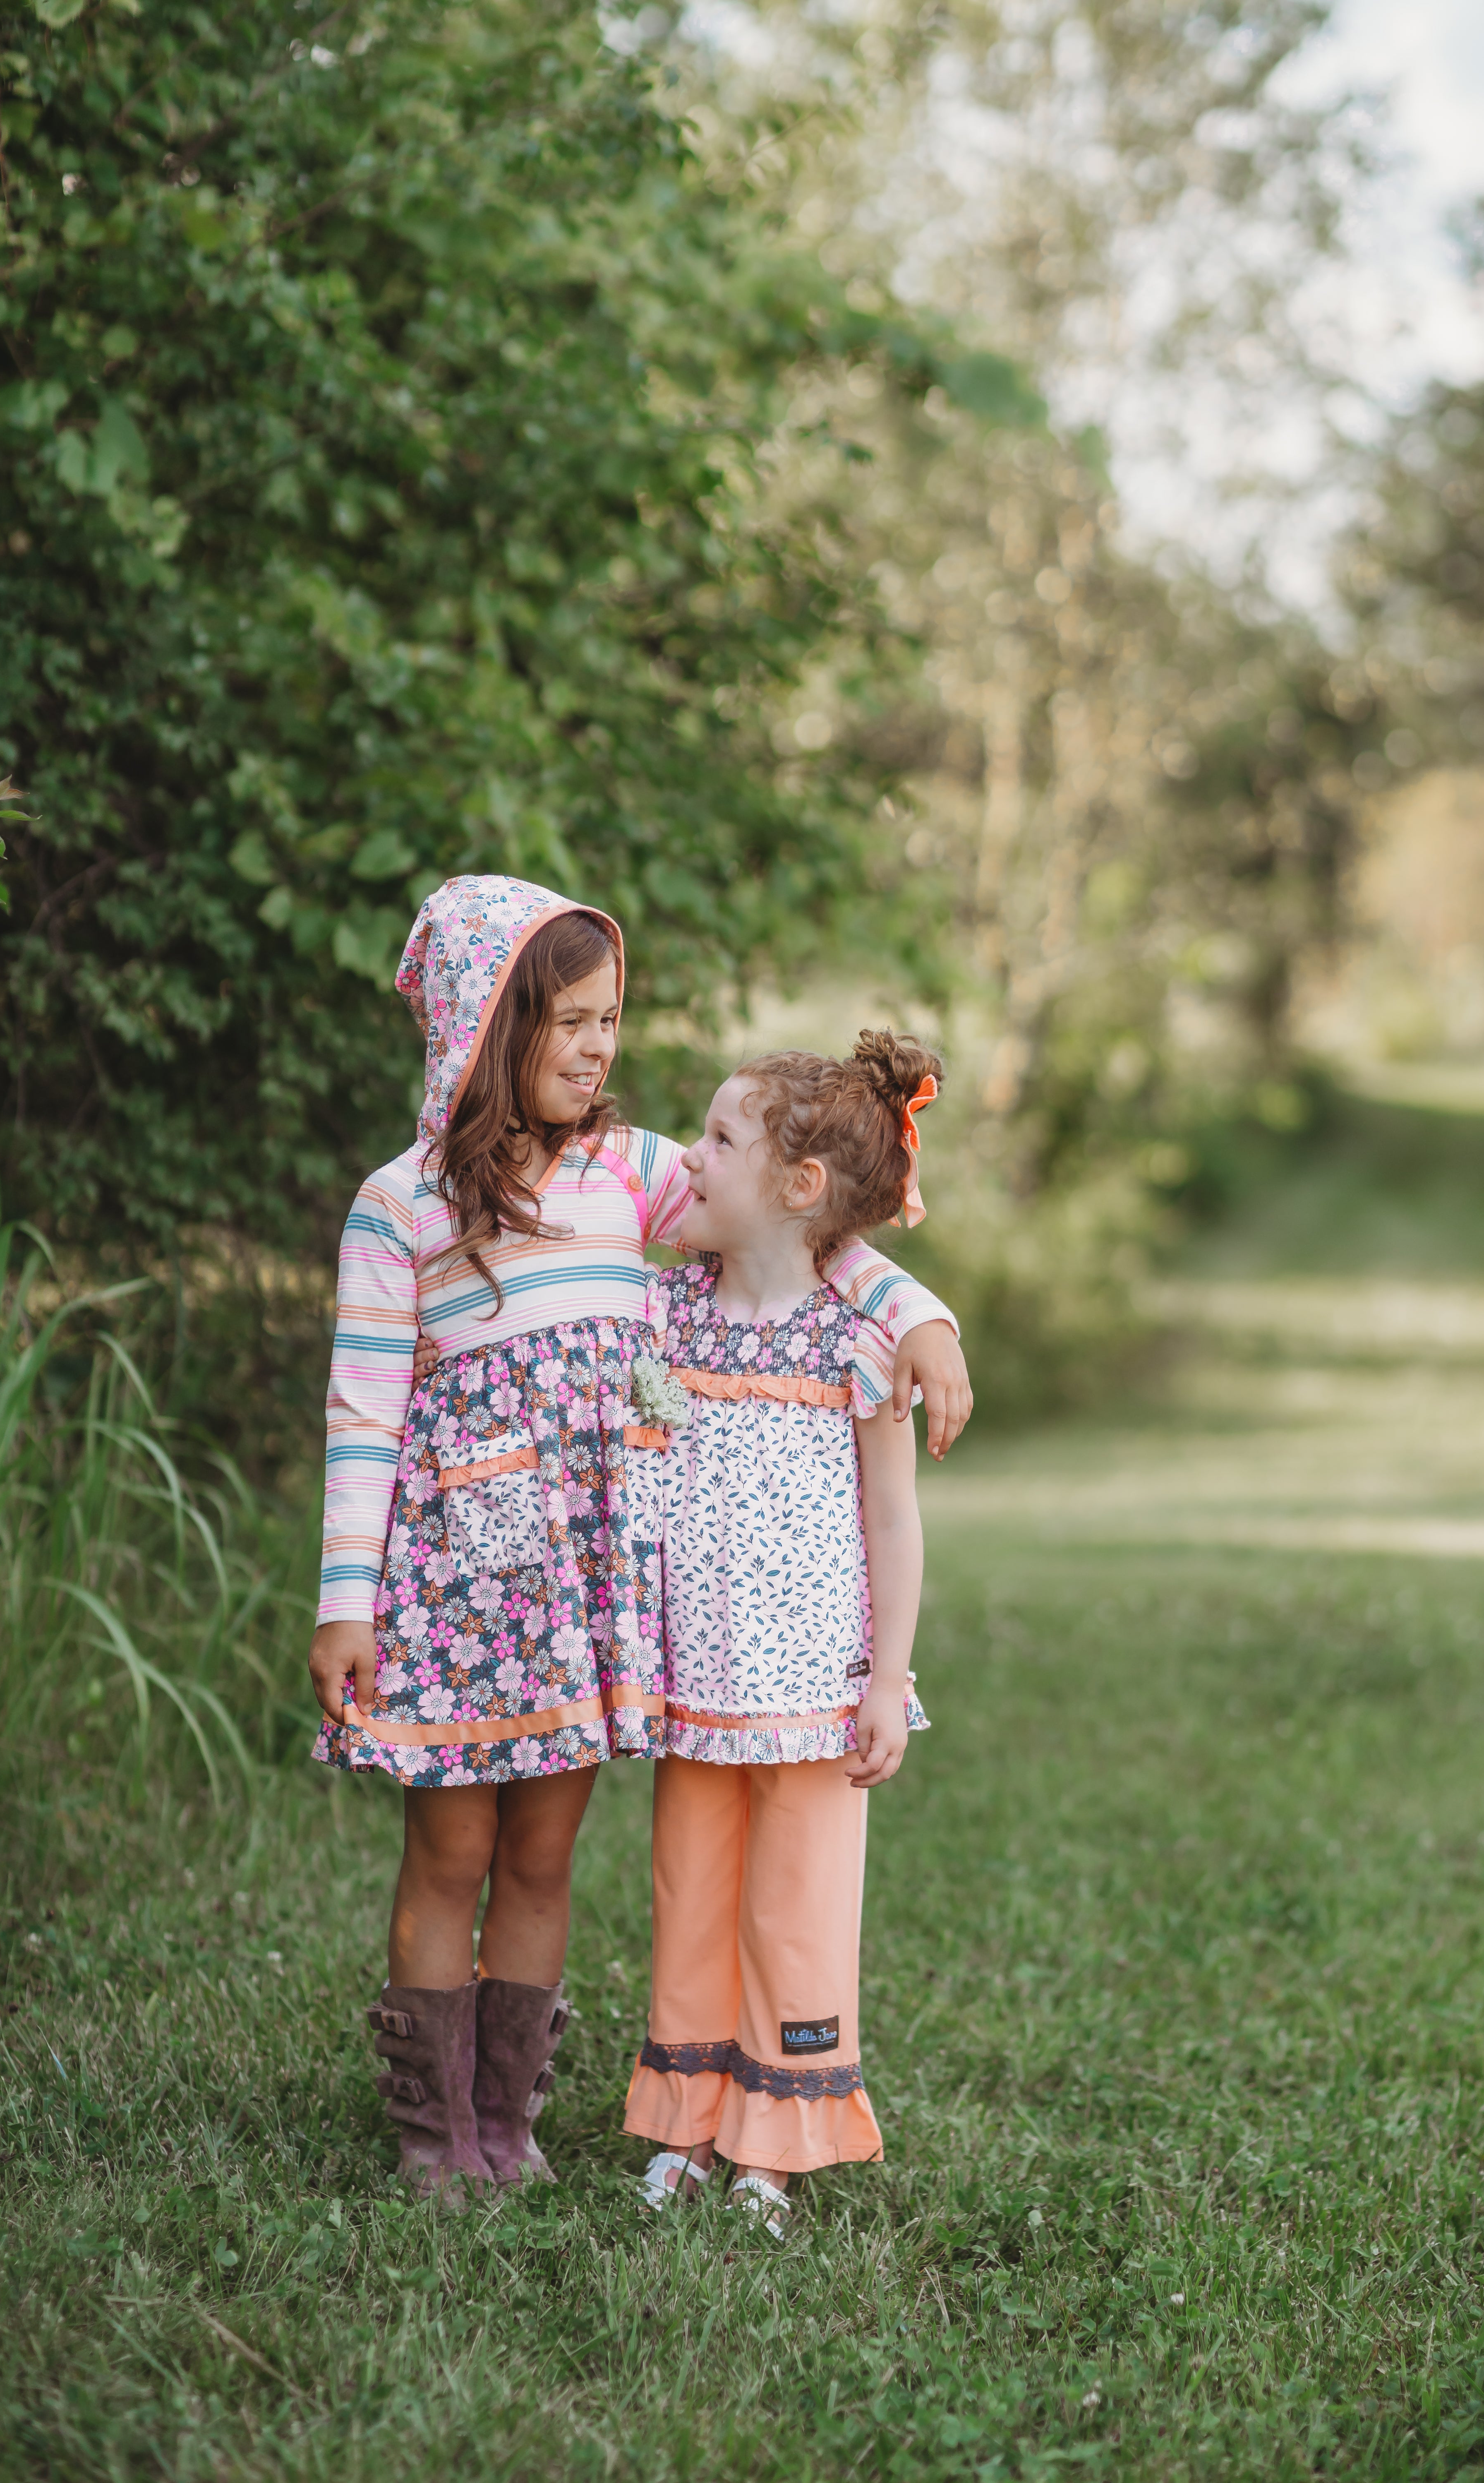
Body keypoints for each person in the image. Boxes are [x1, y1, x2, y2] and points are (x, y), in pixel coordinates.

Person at [306, 876, 971, 2200]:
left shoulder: (632, 1173)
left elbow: (801, 1224)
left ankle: (511, 2123)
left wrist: (917, 1316)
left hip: (585, 1595)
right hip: (455, 1590)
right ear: (484, 1028)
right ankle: (437, 2136)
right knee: (449, 1851)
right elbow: (364, 1412)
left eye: (611, 1020)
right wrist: (346, 1599)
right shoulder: (403, 1209)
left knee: (545, 1854)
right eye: (567, 1024)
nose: (600, 1048)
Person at [625, 1032, 942, 2236]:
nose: (689, 1157)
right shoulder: (668, 1311)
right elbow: (633, 1198)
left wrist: (887, 1678)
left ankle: (777, 2139)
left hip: (815, 1689)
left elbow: (894, 1521)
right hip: (694, 1685)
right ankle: (692, 2127)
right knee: (693, 1899)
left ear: (799, 1190)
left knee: (798, 1908)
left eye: (716, 1140)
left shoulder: (857, 1339)